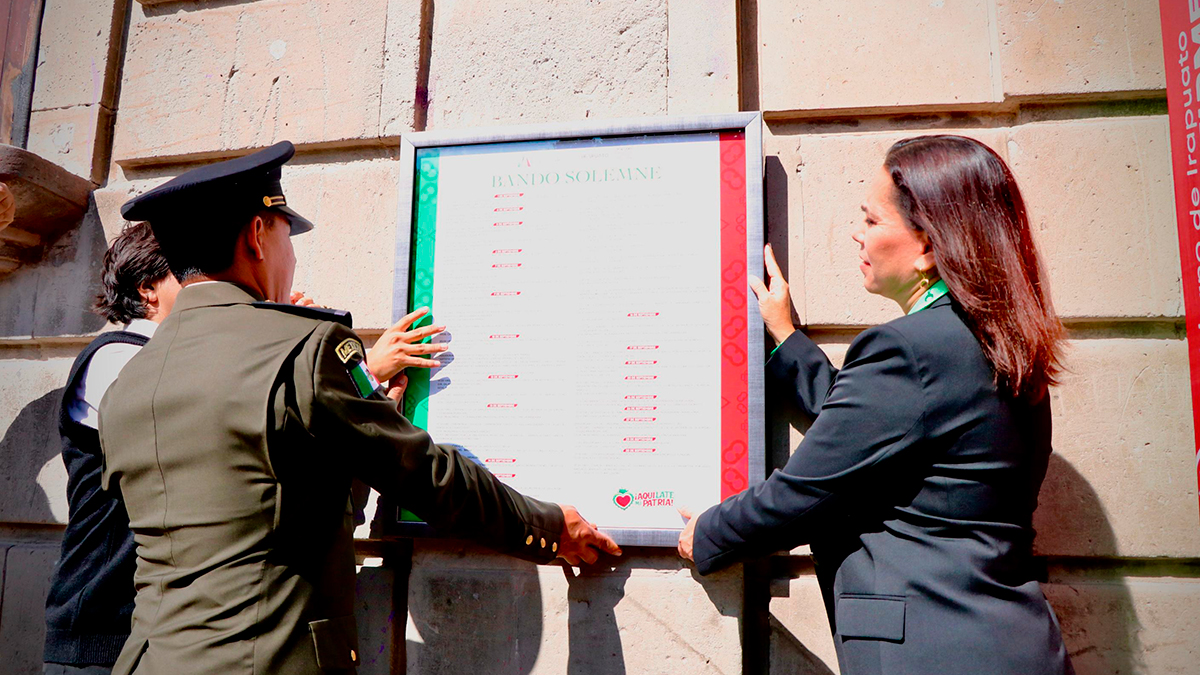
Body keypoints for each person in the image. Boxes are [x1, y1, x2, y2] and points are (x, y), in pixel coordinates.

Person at [100, 141, 620, 675]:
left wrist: (357, 428)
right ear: (257, 235)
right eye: (286, 236)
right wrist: (549, 526)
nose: (291, 258)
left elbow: (266, 501)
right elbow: (425, 474)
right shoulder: (305, 346)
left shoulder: (129, 380)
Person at [678, 135, 1073, 675]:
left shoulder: (909, 349)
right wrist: (787, 338)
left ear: (928, 245)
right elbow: (873, 431)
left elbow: (804, 493)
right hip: (1014, 642)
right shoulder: (997, 339)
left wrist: (706, 532)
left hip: (935, 654)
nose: (856, 233)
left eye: (871, 219)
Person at [44, 222, 181, 675]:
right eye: (188, 275)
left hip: (155, 632)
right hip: (100, 633)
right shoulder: (117, 357)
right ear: (148, 289)